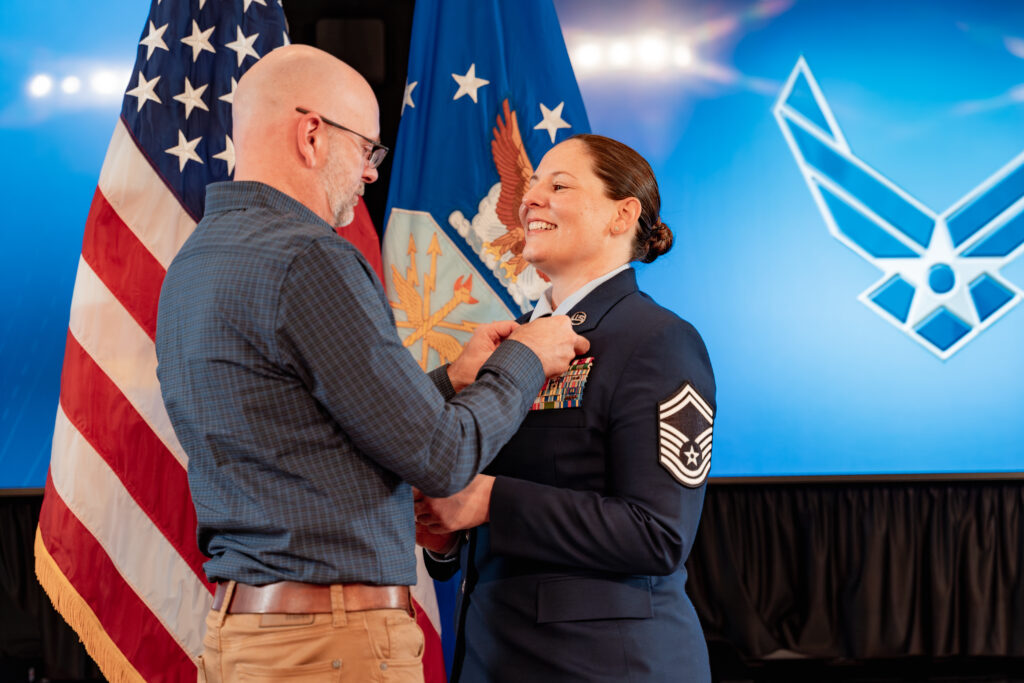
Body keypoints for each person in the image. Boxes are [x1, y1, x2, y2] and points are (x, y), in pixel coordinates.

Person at [154, 44, 588, 683]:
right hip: (330, 645)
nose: (369, 174)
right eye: (366, 150)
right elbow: (439, 459)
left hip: (250, 635)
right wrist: (524, 358)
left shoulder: (193, 262)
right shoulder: (310, 258)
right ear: (311, 135)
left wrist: (450, 380)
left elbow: (311, 423)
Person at [415, 134, 716, 682]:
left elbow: (659, 535)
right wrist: (446, 539)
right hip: (497, 654)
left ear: (621, 215)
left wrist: (489, 500)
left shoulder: (657, 340)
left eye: (558, 185)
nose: (530, 198)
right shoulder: (510, 346)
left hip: (607, 664)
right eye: (531, 184)